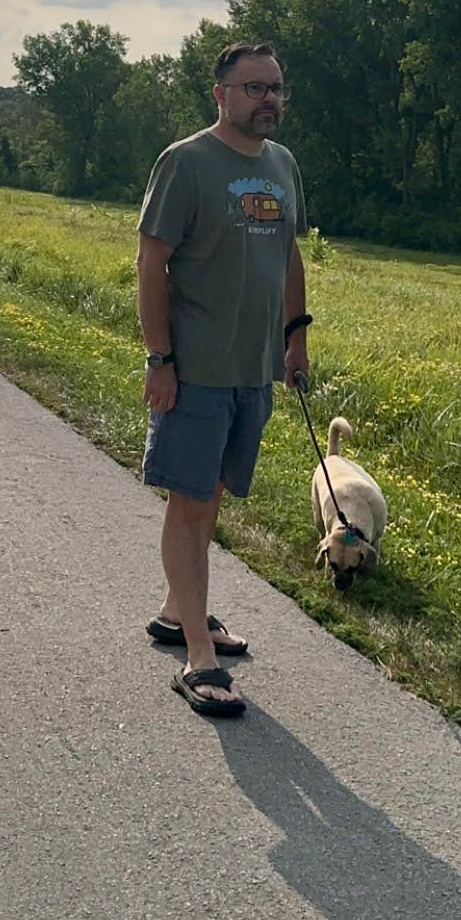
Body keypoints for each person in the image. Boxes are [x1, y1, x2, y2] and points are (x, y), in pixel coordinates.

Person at [136, 41, 310, 718]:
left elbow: (288, 251)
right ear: (221, 95)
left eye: (275, 87)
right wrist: (160, 358)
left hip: (253, 365)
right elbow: (152, 263)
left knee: (211, 492)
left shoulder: (283, 165)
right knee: (191, 500)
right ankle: (198, 660)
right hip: (197, 366)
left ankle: (180, 613)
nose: (268, 99)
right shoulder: (186, 163)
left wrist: (295, 338)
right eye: (253, 88)